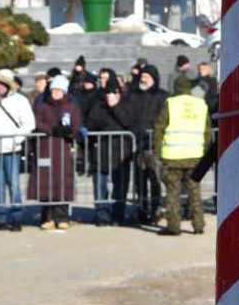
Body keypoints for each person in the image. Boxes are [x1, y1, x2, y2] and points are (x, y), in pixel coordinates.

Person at [153, 76, 209, 236]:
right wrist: (204, 152)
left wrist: (157, 151)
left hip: (173, 156)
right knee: (195, 191)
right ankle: (198, 225)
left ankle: (173, 226)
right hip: (195, 156)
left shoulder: (170, 103)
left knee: (173, 193)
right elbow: (207, 132)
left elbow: (159, 128)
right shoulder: (200, 104)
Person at [0, 73, 34, 231]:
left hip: (12, 148)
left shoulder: (20, 100)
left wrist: (16, 139)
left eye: (2, 83)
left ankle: (16, 218)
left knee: (13, 184)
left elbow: (29, 123)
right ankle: (0, 218)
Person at [31, 76, 82, 230]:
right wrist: (50, 130)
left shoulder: (71, 106)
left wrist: (69, 132)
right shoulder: (42, 105)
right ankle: (47, 217)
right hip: (45, 147)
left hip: (63, 149)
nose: (56, 92)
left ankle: (62, 217)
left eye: (59, 90)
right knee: (46, 183)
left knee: (62, 183)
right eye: (54, 89)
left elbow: (77, 124)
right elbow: (36, 121)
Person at [86, 77, 134, 226]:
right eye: (107, 92)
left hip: (121, 153)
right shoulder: (98, 107)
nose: (110, 95)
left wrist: (115, 107)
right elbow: (91, 125)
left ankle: (118, 213)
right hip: (101, 151)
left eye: (113, 92)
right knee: (100, 185)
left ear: (119, 93)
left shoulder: (126, 106)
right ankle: (101, 214)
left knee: (120, 185)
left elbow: (129, 123)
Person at [124, 65, 167, 225]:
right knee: (139, 181)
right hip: (137, 144)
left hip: (154, 145)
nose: (143, 78)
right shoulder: (132, 95)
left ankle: (156, 209)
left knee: (155, 179)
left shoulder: (161, 96)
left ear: (154, 78)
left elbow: (164, 118)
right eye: (142, 76)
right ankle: (142, 210)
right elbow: (127, 115)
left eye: (147, 76)